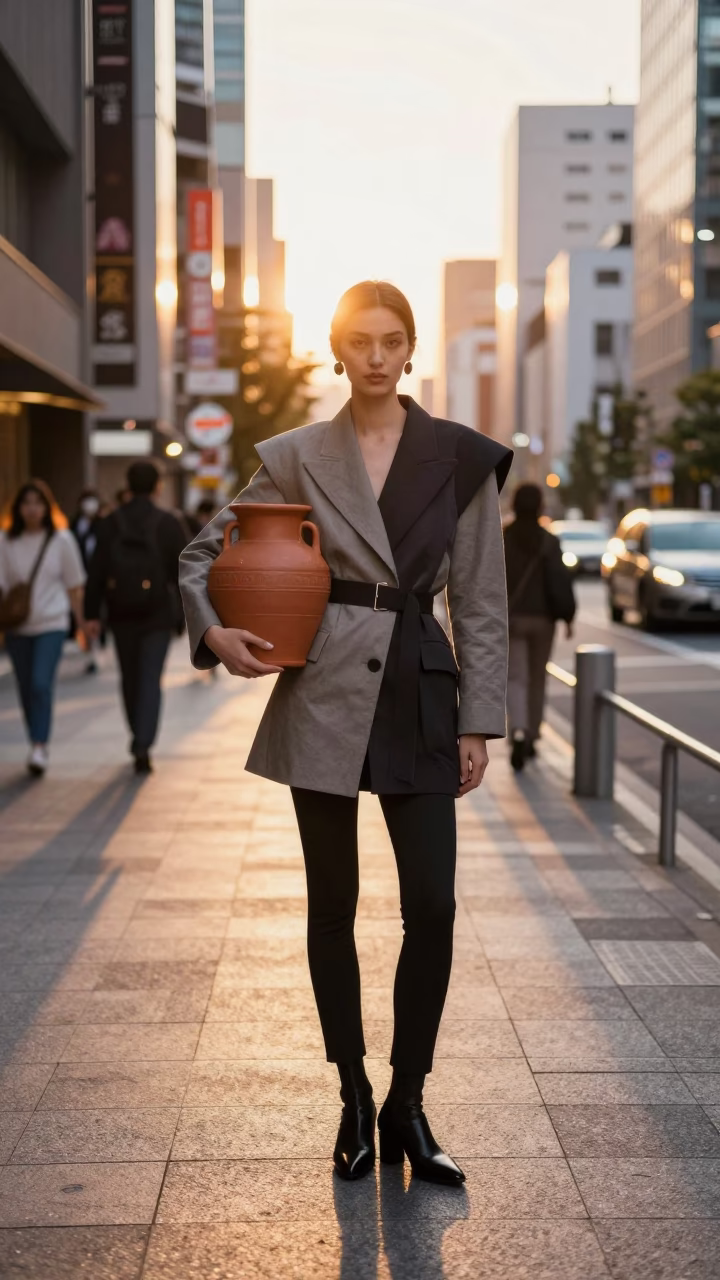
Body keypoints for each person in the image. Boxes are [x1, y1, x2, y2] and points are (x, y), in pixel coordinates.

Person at [180, 281, 512, 1186]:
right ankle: (354, 1097)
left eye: (392, 340)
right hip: (325, 687)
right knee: (332, 905)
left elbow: (481, 600)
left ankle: (409, 1100)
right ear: (337, 349)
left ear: (411, 349)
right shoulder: (297, 456)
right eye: (360, 340)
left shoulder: (459, 456)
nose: (376, 356)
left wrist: (480, 721)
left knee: (433, 906)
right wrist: (215, 632)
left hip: (421, 690)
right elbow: (203, 554)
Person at [84, 461, 187, 774]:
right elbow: (183, 571)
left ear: (127, 486)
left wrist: (91, 614)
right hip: (157, 614)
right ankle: (144, 743)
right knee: (150, 679)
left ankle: (136, 734)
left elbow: (96, 572)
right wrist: (185, 616)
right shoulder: (167, 522)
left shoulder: (110, 523)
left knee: (129, 678)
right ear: (157, 486)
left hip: (120, 612)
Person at [0, 479, 87, 775]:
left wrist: (81, 624)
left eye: (38, 503)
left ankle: (40, 745)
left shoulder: (61, 540)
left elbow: (74, 586)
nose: (32, 509)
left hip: (52, 624)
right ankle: (35, 740)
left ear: (48, 507)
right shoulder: (5, 540)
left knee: (40, 683)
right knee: (26, 688)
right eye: (26, 503)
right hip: (17, 626)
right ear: (17, 508)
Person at [503, 483, 576, 772]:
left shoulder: (503, 538)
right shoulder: (549, 541)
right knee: (537, 678)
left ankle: (518, 730)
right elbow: (560, 580)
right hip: (544, 619)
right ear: (540, 506)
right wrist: (567, 616)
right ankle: (532, 735)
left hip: (512, 618)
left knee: (515, 678)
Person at [70, 489, 103, 673]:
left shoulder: (103, 524)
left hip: (97, 579)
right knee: (83, 615)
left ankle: (95, 649)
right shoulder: (75, 525)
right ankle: (89, 648)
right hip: (78, 577)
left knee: (95, 615)